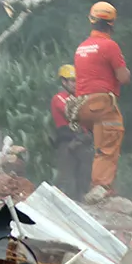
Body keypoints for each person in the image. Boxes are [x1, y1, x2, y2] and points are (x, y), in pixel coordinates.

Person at [68, 1, 131, 204]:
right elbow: (123, 77)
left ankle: (100, 184)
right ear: (111, 24)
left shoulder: (81, 47)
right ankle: (101, 187)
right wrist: (126, 71)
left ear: (92, 21)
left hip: (82, 107)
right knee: (110, 141)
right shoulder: (109, 46)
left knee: (101, 144)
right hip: (102, 105)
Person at [50, 64, 92, 197]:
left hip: (82, 142)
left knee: (84, 180)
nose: (75, 84)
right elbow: (73, 113)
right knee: (66, 180)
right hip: (67, 143)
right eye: (72, 81)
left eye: (77, 81)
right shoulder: (59, 98)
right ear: (64, 81)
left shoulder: (79, 99)